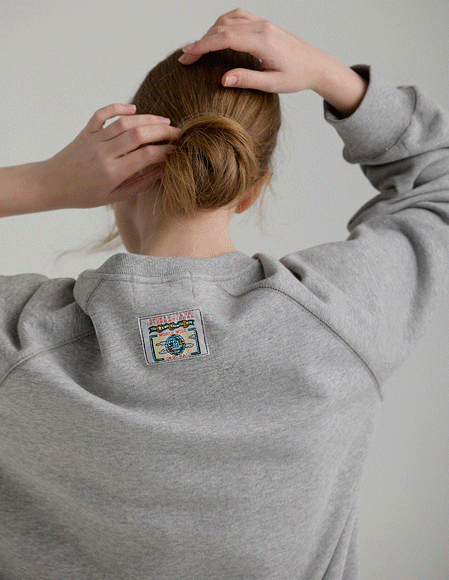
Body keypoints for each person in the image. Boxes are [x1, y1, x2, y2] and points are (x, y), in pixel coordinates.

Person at [0, 7, 448, 580]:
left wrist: (46, 182)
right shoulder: (337, 320)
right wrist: (332, 76)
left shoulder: (22, 344)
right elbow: (439, 182)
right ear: (251, 190)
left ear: (120, 172)